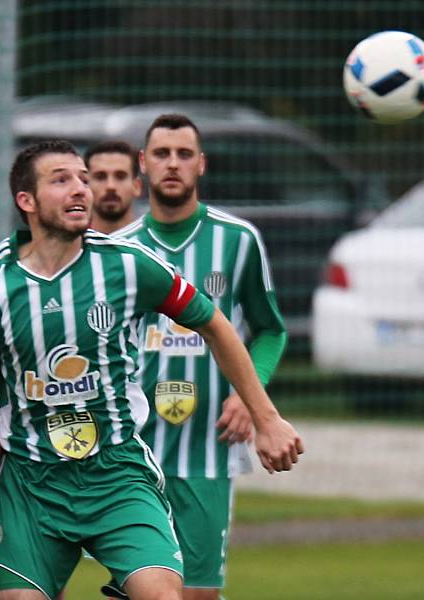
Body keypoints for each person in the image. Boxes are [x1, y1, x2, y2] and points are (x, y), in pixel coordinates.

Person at [0, 140, 304, 600]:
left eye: (83, 178)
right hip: (32, 482)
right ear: (26, 201)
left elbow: (215, 324)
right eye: (61, 180)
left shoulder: (127, 264)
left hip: (117, 471)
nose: (80, 190)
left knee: (164, 596)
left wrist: (265, 418)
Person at [106, 114, 289, 600]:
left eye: (184, 154)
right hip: (131, 456)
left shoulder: (237, 240)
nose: (173, 164)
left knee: (198, 594)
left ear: (201, 165)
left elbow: (270, 331)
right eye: (162, 154)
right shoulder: (116, 251)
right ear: (143, 164)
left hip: (206, 450)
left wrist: (250, 397)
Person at [85, 140, 142, 234]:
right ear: (86, 186)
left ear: (137, 186)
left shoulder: (155, 246)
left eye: (120, 177)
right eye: (100, 177)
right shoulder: (69, 246)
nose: (110, 186)